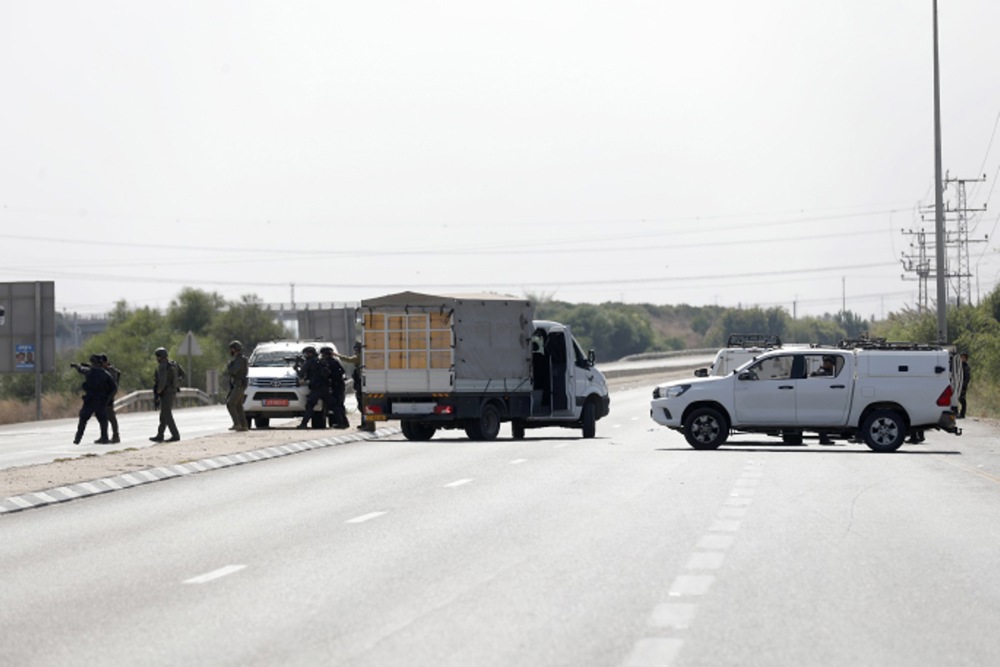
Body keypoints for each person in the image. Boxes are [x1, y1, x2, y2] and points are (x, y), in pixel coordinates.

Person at [72, 354, 115, 445]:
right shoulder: (106, 374)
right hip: (101, 401)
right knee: (103, 420)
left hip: (90, 400)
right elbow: (113, 387)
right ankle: (105, 438)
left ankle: (77, 438)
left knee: (83, 420)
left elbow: (81, 369)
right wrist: (108, 398)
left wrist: (77, 366)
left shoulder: (89, 372)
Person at [336, 342, 372, 431]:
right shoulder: (363, 356)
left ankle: (366, 424)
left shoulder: (361, 356)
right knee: (362, 405)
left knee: (362, 405)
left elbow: (349, 359)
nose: (356, 351)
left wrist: (337, 355)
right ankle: (364, 423)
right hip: (361, 383)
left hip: (362, 383)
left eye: (357, 349)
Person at [150, 347, 181, 442]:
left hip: (166, 392)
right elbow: (182, 375)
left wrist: (158, 392)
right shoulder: (173, 364)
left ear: (160, 357)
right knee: (163, 414)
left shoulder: (163, 366)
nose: (157, 358)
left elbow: (162, 381)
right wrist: (175, 384)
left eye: (157, 356)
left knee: (167, 414)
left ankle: (175, 435)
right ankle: (160, 434)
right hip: (172, 391)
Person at [296, 346, 329, 429]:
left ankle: (304, 424)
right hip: (324, 386)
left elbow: (301, 374)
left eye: (306, 353)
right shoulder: (320, 360)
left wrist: (297, 368)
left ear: (309, 353)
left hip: (316, 387)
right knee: (333, 404)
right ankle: (342, 422)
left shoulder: (309, 362)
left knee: (310, 405)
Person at [320, 346, 349, 428]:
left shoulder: (327, 362)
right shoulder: (335, 361)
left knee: (336, 405)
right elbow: (342, 371)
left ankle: (341, 423)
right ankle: (344, 422)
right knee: (340, 405)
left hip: (335, 386)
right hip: (340, 385)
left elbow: (326, 374)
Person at [225, 340, 249, 432]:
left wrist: (229, 365)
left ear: (234, 349)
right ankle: (244, 425)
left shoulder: (239, 360)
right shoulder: (241, 359)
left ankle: (237, 424)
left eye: (231, 349)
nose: (231, 351)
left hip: (239, 385)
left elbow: (234, 371)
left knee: (230, 404)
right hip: (240, 384)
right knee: (238, 405)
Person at [812, 356, 836, 444]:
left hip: (822, 396)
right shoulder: (823, 372)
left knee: (823, 418)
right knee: (822, 418)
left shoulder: (825, 371)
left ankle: (824, 437)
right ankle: (823, 438)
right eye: (830, 363)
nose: (832, 365)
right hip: (821, 397)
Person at [98, 353, 122, 443]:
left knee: (111, 417)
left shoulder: (111, 372)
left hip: (108, 397)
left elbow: (113, 387)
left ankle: (116, 436)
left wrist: (110, 398)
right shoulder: (103, 371)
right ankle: (104, 436)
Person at [959, 352, 970, 419]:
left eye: (963, 357)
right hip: (959, 384)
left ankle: (962, 414)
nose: (962, 359)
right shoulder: (960, 365)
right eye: (961, 357)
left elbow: (967, 377)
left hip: (963, 385)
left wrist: (964, 385)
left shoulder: (966, 366)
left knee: (962, 399)